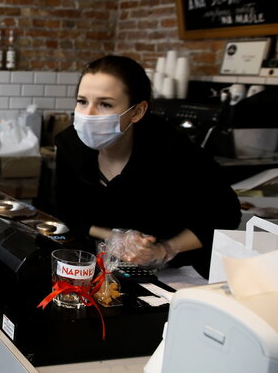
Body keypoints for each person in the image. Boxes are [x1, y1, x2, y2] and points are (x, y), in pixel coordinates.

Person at [54, 55, 239, 278]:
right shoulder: (70, 145)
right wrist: (114, 237)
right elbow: (67, 209)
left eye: (105, 104)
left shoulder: (173, 151)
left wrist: (165, 249)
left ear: (137, 111)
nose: (88, 114)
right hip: (105, 268)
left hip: (176, 274)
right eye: (82, 101)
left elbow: (224, 214)